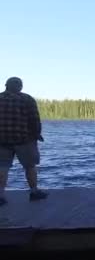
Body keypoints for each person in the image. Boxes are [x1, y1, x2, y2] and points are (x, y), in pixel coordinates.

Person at [0, 77, 48, 205]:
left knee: (2, 167)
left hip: (2, 141)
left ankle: (0, 195)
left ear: (5, 85)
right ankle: (34, 192)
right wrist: (37, 134)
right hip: (25, 140)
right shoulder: (27, 99)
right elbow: (34, 119)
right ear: (21, 87)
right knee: (30, 166)